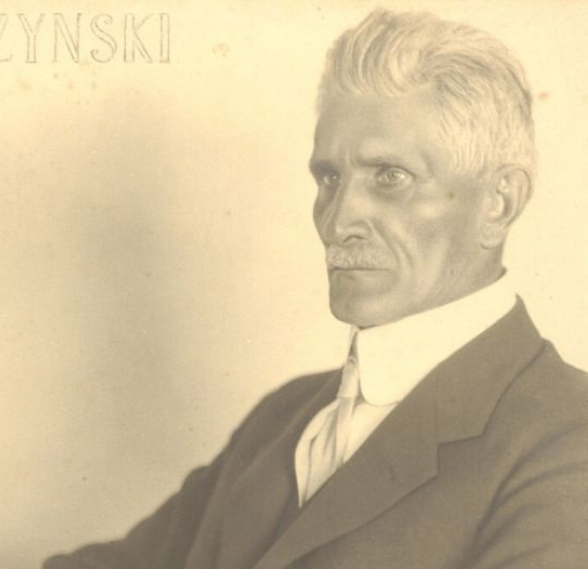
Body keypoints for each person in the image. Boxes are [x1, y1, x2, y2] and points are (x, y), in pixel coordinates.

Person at [44, 9, 588, 569]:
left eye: (390, 177)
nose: (337, 219)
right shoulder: (281, 419)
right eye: (329, 178)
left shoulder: (568, 439)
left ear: (499, 202)